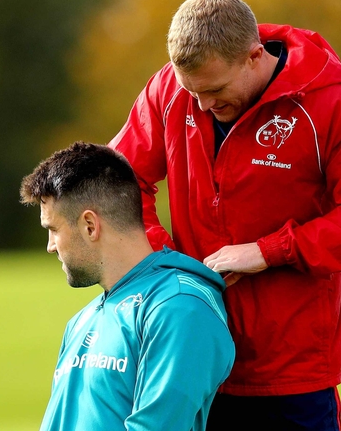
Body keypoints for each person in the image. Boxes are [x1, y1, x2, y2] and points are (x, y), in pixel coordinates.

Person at [108, 0, 341, 430]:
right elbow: (120, 181)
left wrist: (270, 251)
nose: (202, 106)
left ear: (254, 56)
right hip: (188, 356)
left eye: (214, 90)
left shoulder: (338, 108)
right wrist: (164, 262)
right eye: (191, 91)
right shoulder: (172, 91)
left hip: (290, 374)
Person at [19, 141, 235, 431]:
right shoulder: (83, 320)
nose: (50, 247)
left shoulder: (179, 308)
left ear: (90, 226)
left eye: (54, 230)